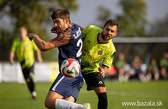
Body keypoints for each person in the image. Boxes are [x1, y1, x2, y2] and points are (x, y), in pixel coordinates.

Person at [28, 9, 90, 109]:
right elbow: (82, 31)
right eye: (54, 22)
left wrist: (34, 36)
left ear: (66, 21)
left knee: (49, 102)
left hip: (68, 73)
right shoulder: (76, 27)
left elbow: (44, 46)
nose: (55, 25)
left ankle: (81, 108)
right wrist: (59, 32)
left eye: (58, 22)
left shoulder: (65, 35)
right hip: (78, 75)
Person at [81, 19, 118, 109]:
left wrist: (103, 71)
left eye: (112, 31)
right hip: (76, 65)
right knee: (69, 96)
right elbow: (76, 33)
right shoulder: (91, 29)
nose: (109, 32)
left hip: (92, 69)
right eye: (107, 29)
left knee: (103, 96)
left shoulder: (111, 49)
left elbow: (106, 65)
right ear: (103, 28)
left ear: (115, 34)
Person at [10, 27, 43, 100]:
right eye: (20, 33)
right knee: (27, 79)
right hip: (22, 62)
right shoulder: (16, 41)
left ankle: (32, 81)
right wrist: (11, 58)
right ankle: (33, 93)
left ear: (26, 33)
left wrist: (39, 57)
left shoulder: (30, 40)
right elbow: (12, 51)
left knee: (30, 76)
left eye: (23, 33)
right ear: (19, 34)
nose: (22, 34)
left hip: (30, 62)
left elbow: (37, 49)